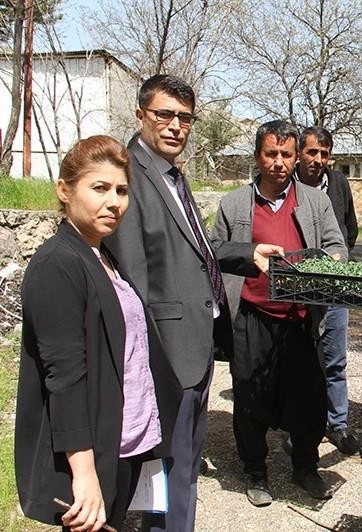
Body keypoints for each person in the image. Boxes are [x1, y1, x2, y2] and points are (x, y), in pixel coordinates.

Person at [15, 135, 182, 531]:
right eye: (100, 188)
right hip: (92, 451)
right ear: (64, 190)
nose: (114, 202)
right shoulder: (58, 264)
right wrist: (84, 472)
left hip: (125, 439)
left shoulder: (102, 254)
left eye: (122, 190)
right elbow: (65, 378)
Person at [105, 74, 247, 532]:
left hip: (195, 346)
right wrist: (148, 364)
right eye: (164, 114)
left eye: (184, 118)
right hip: (165, 353)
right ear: (141, 115)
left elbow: (197, 247)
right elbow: (134, 280)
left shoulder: (169, 173)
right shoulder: (128, 175)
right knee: (167, 470)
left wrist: (249, 254)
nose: (175, 126)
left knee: (180, 465)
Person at [211, 120, 347, 506]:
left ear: (295, 157)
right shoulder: (234, 203)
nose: (279, 162)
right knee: (251, 397)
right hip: (252, 315)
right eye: (271, 154)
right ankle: (255, 470)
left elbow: (338, 246)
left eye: (286, 154)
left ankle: (305, 468)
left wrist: (330, 260)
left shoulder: (315, 201)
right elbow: (215, 249)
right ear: (258, 156)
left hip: (301, 319)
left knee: (308, 400)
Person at [296, 126, 360, 455]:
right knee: (300, 360)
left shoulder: (338, 183)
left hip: (335, 290)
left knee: (335, 359)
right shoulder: (289, 186)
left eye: (324, 153)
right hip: (298, 291)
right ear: (298, 153)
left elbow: (350, 229)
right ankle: (298, 425)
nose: (318, 160)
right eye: (312, 152)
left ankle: (338, 424)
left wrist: (334, 265)